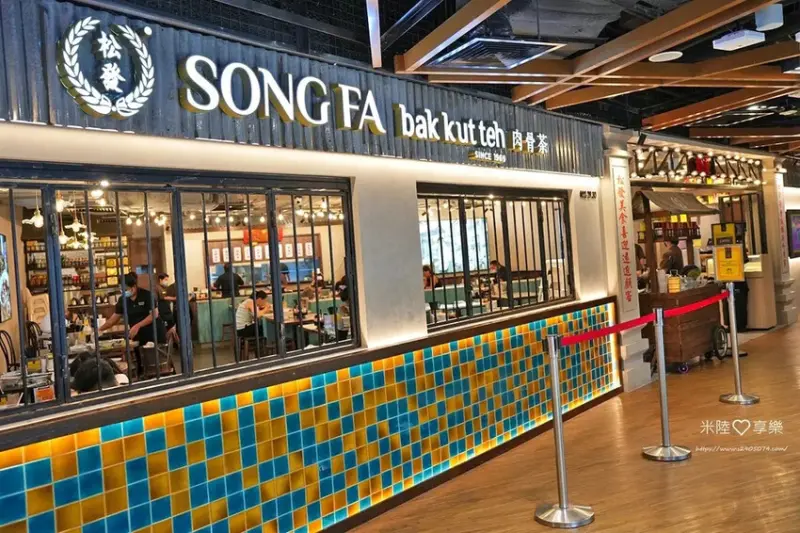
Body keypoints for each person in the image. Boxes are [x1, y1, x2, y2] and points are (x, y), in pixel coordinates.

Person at [100, 272, 166, 347]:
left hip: (154, 334)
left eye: (126, 289)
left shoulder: (146, 295)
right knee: (139, 353)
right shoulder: (123, 300)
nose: (124, 292)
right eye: (121, 289)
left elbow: (154, 314)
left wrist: (138, 326)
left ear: (134, 286)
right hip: (137, 336)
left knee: (152, 354)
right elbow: (113, 320)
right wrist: (100, 330)